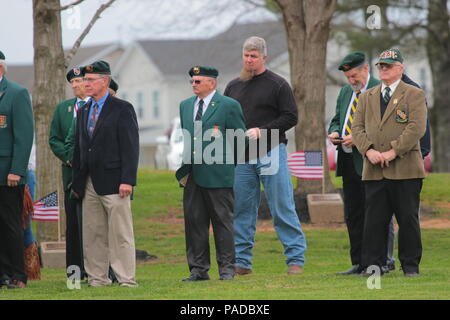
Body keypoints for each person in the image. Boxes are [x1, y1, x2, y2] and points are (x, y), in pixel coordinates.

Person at [224, 36, 307, 275]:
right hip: (242, 157)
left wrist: (263, 131)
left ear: (264, 58)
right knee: (241, 209)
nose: (249, 60)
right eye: (246, 55)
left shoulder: (278, 84)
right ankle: (242, 262)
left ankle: (295, 259)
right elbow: (230, 117)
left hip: (271, 151)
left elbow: (291, 117)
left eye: (254, 56)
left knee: (281, 206)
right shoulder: (233, 86)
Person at [352, 48, 427, 277]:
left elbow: (416, 128)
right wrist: (369, 151)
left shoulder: (414, 94)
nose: (383, 69)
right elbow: (357, 128)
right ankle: (373, 266)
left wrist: (394, 151)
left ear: (400, 69)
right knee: (374, 221)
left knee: (407, 219)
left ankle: (410, 266)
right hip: (375, 169)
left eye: (388, 66)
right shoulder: (367, 96)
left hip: (405, 169)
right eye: (381, 66)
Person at [71, 61, 139, 287]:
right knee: (93, 234)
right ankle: (97, 279)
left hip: (115, 182)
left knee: (120, 234)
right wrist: (77, 183)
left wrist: (127, 180)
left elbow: (130, 147)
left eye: (91, 80)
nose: (85, 84)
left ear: (105, 81)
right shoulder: (83, 110)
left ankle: (126, 279)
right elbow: (80, 148)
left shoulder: (122, 109)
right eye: (84, 80)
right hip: (89, 181)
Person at [176, 66, 246, 281]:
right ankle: (198, 269)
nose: (194, 85)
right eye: (192, 81)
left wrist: (226, 163)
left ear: (212, 83)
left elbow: (239, 138)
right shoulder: (186, 106)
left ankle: (226, 268)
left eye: (198, 81)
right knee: (194, 222)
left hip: (218, 173)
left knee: (222, 223)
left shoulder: (228, 105)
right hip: (193, 173)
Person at [328, 52, 396, 275]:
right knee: (354, 213)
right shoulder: (346, 92)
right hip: (348, 160)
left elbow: (384, 128)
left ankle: (383, 261)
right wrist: (334, 131)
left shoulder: (380, 89)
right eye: (348, 76)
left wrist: (357, 139)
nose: (351, 81)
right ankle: (360, 262)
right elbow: (337, 118)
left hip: (372, 160)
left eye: (354, 75)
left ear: (365, 69)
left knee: (378, 212)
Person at [49, 67, 90, 280]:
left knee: (96, 226)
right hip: (71, 177)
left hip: (94, 178)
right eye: (72, 82)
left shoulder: (97, 106)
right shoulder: (63, 109)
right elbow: (54, 138)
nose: (75, 86)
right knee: (73, 225)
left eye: (79, 81)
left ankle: (100, 270)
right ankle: (75, 274)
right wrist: (68, 158)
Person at [0, 50, 34, 289]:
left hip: (7, 172)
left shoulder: (16, 93)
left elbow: (24, 136)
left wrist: (17, 170)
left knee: (11, 225)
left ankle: (17, 275)